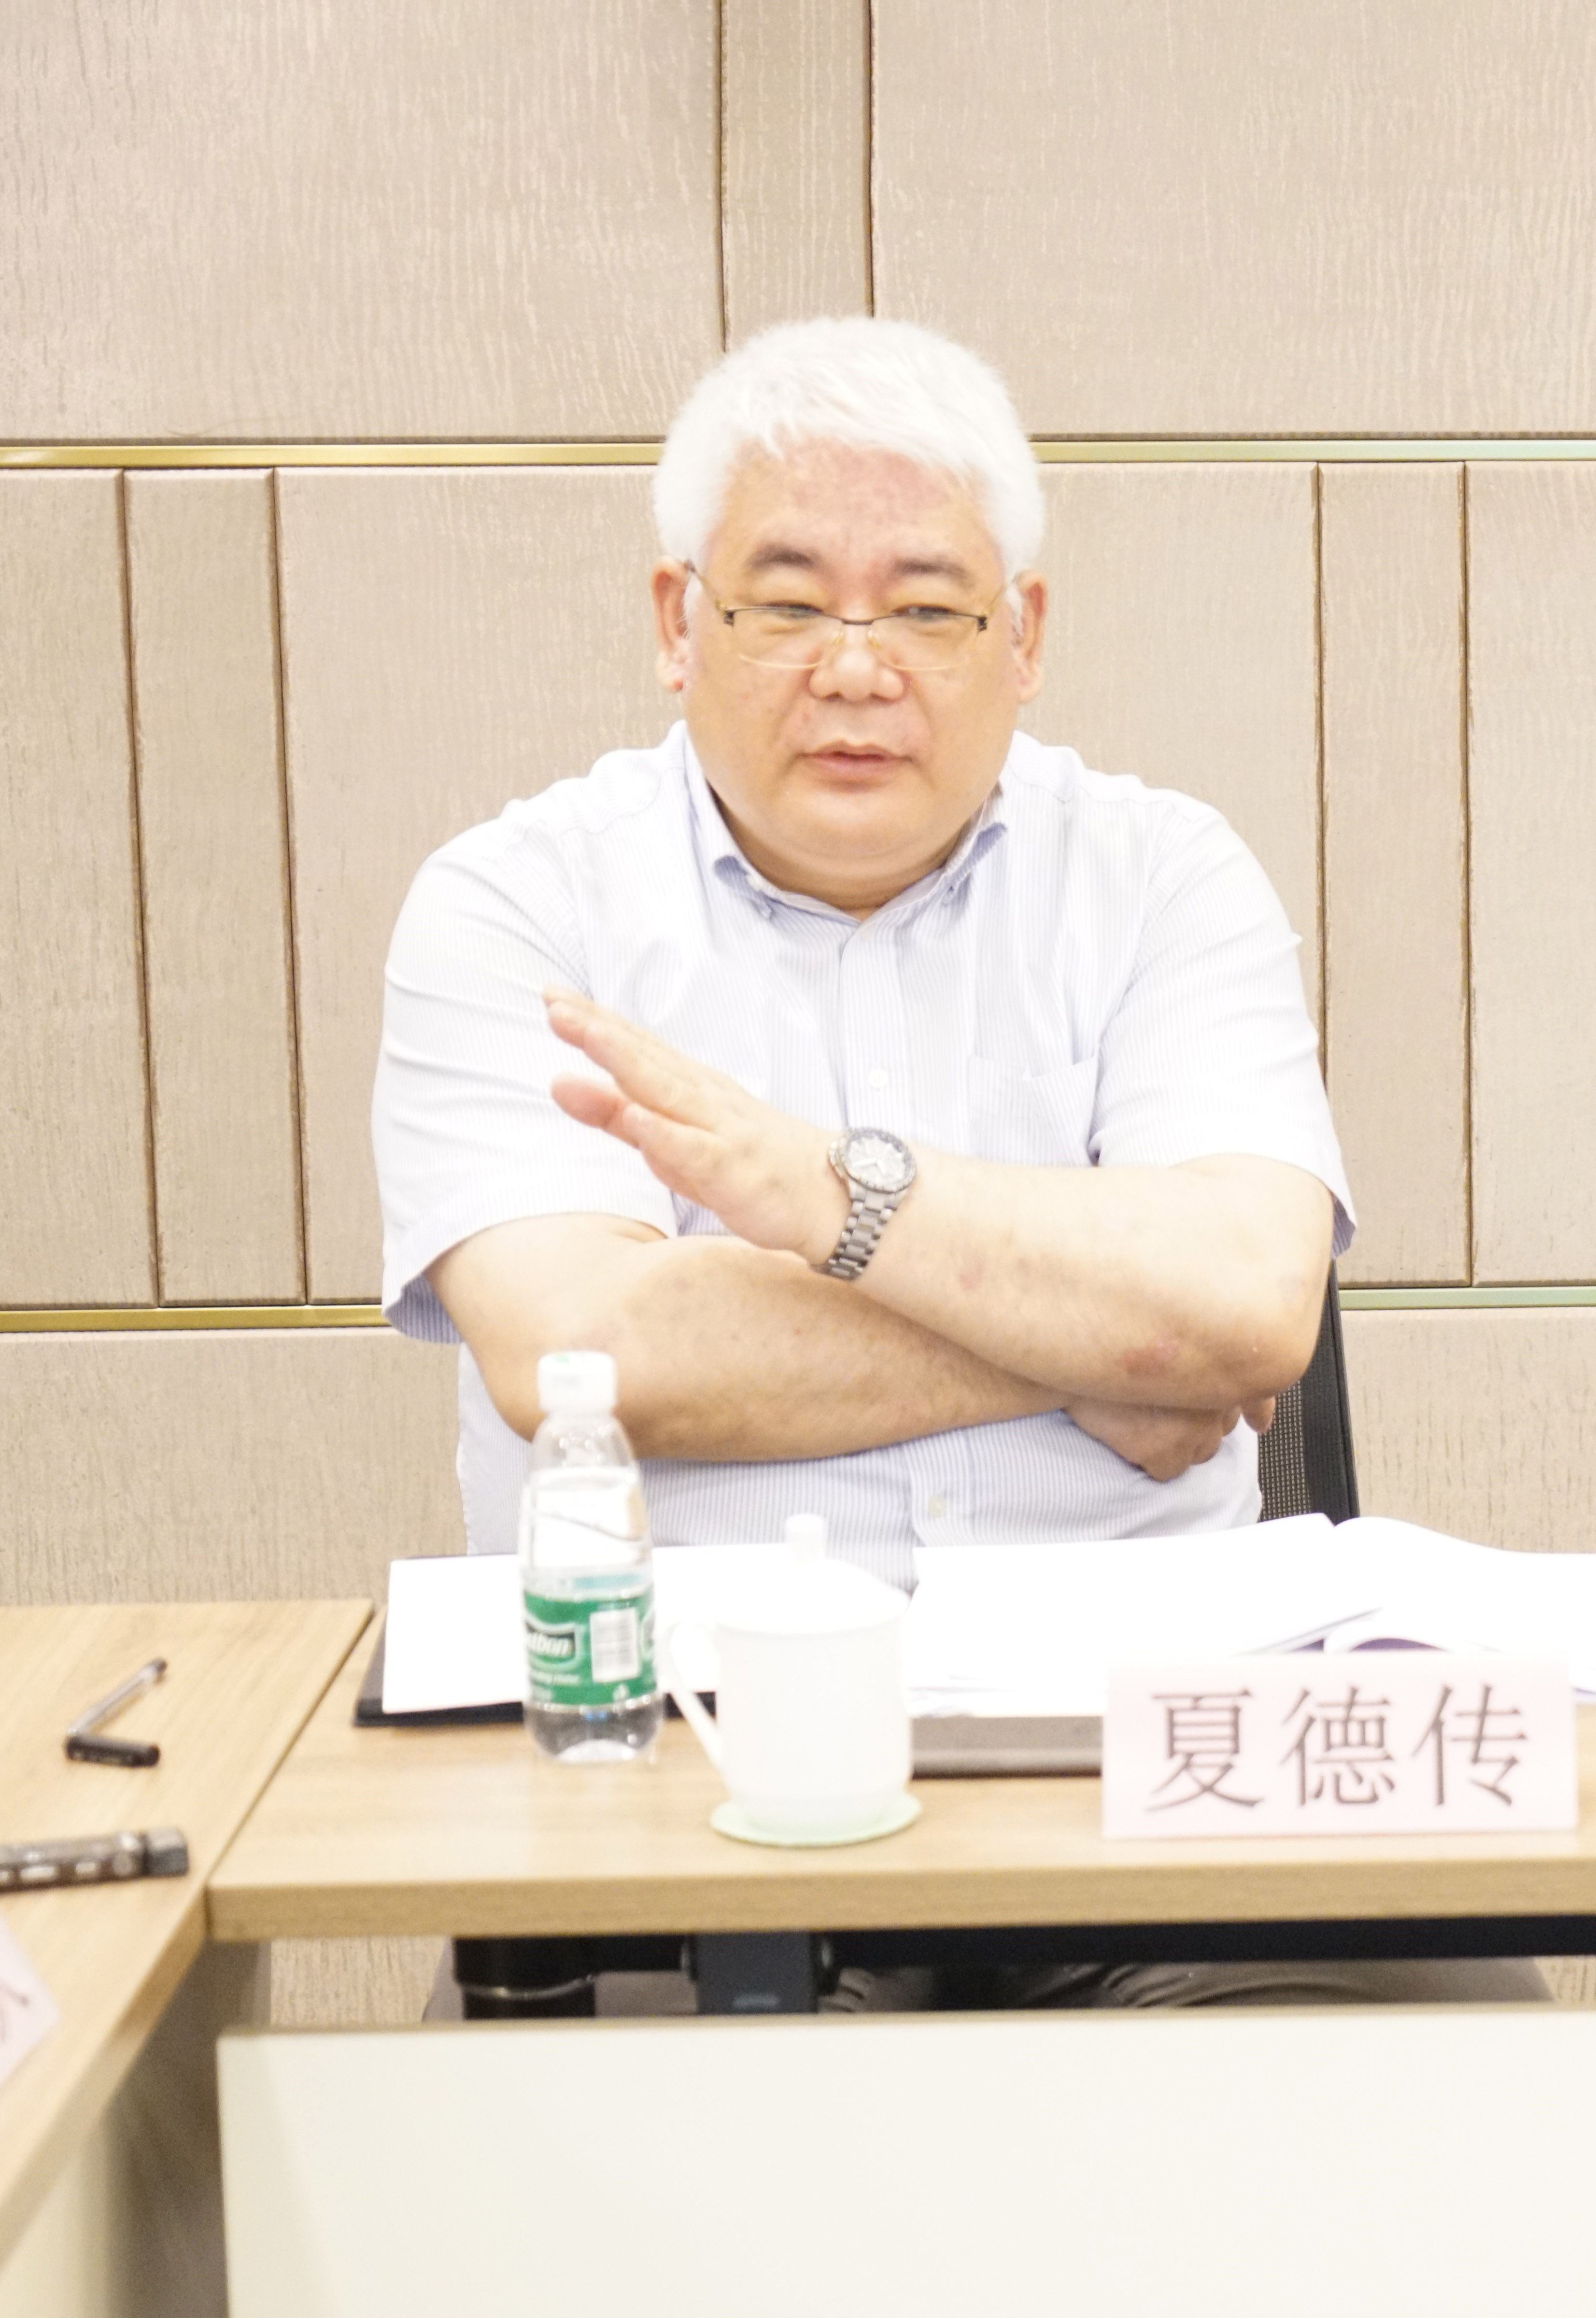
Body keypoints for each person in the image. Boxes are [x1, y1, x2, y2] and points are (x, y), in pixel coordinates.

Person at [373, 316, 1534, 2009]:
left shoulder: (1164, 879)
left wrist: (831, 1199)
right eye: (788, 605)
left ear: (1025, 634)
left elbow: (1246, 1307)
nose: (858, 669)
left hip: (1151, 1783)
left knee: (1412, 2110)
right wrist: (1098, 1344)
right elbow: (594, 1358)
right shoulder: (517, 906)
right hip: (677, 1782)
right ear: (678, 622)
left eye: (926, 609)